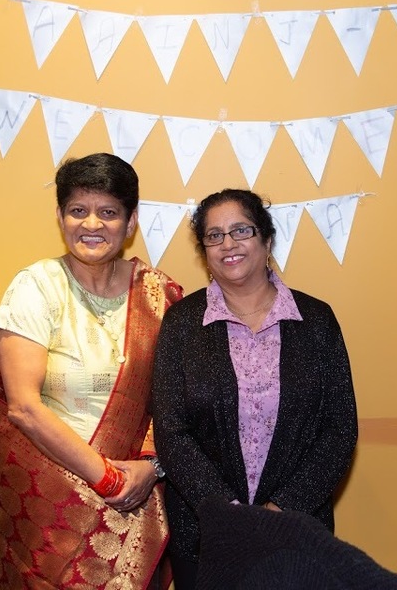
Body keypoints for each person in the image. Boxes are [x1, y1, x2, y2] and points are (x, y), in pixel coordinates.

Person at [0, 152, 183, 589]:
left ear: (130, 222)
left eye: (108, 212)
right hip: (53, 512)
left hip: (139, 500)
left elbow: (177, 402)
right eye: (78, 210)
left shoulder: (158, 294)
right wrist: (107, 479)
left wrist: (152, 469)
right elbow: (23, 407)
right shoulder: (37, 286)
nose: (92, 224)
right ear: (60, 217)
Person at [151, 188, 359, 589]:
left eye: (241, 230)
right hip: (206, 537)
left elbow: (339, 429)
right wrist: (229, 514)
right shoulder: (181, 324)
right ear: (204, 251)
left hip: (296, 534)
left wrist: (281, 510)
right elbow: (172, 432)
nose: (228, 244)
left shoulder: (316, 321)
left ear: (266, 238)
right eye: (214, 236)